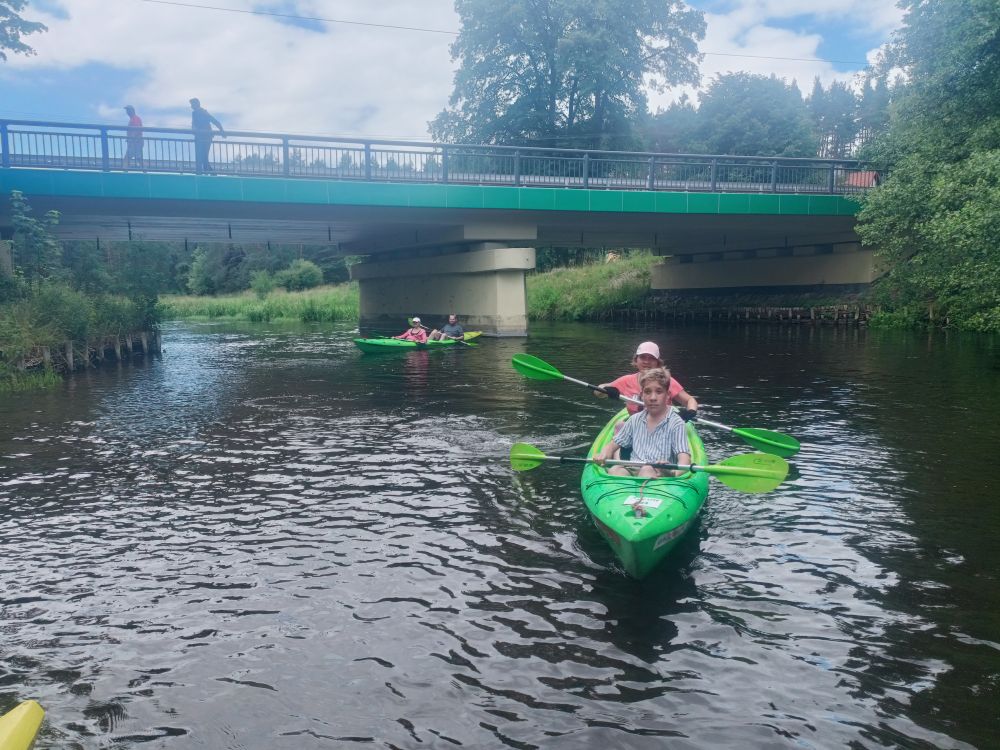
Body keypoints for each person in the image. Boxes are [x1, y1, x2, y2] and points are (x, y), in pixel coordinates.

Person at [593, 367, 691, 479]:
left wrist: (673, 473)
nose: (653, 398)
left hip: (662, 474)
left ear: (667, 395)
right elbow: (612, 445)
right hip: (634, 469)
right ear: (642, 395)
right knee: (615, 470)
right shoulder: (634, 419)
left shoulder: (676, 423)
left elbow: (684, 460)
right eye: (647, 392)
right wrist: (604, 454)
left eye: (659, 392)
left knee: (647, 470)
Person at [595, 341, 698, 420]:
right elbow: (598, 392)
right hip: (636, 425)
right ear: (636, 360)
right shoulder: (626, 381)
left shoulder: (666, 380)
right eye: (642, 357)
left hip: (663, 424)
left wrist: (690, 412)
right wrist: (607, 390)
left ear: (657, 362)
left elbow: (690, 400)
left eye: (651, 358)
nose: (646, 362)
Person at [189, 97, 225, 174]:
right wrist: (221, 130)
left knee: (202, 157)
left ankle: (208, 173)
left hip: (204, 137)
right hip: (203, 137)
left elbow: (214, 121)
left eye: (192, 104)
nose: (191, 106)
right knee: (202, 157)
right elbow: (194, 125)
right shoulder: (198, 113)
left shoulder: (202, 112)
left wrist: (221, 130)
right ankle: (208, 173)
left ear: (196, 104)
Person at [122, 105, 143, 170]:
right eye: (126, 110)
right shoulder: (133, 119)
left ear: (132, 111)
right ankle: (144, 170)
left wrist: (131, 139)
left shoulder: (135, 118)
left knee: (127, 158)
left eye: (128, 110)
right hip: (135, 141)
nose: (127, 112)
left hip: (135, 141)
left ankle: (124, 173)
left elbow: (136, 129)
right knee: (138, 158)